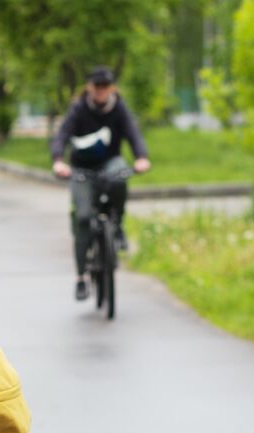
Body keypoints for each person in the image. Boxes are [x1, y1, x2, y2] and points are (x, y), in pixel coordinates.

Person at [50, 66, 152, 301]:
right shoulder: (79, 109)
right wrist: (58, 161)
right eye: (97, 87)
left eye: (105, 87)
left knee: (120, 176)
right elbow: (62, 135)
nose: (101, 91)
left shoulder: (118, 108)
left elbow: (133, 134)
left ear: (112, 88)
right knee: (84, 218)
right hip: (81, 168)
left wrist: (141, 157)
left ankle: (118, 226)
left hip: (109, 163)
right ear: (89, 87)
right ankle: (81, 278)